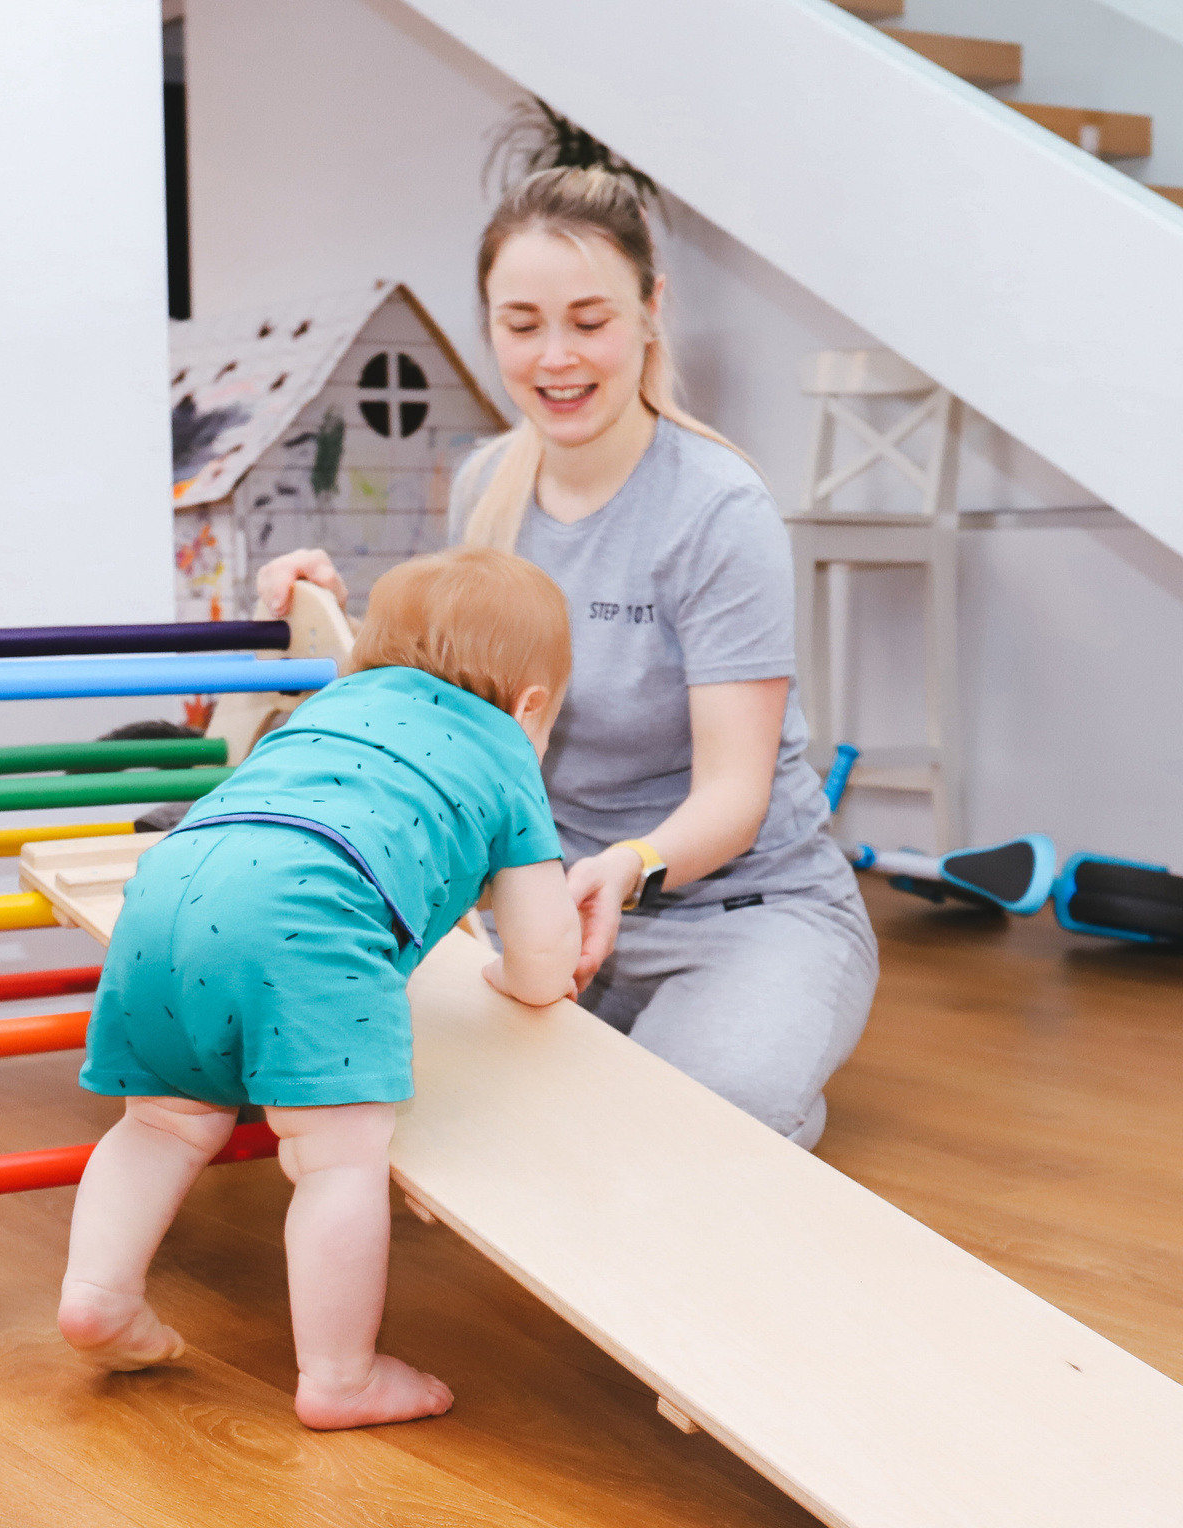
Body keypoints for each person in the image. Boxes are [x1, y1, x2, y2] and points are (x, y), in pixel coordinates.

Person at [259, 166, 877, 1151]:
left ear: (650, 311)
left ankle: (747, 1066)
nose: (556, 357)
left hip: (742, 910)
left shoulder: (718, 510)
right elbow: (441, 696)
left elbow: (734, 796)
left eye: (589, 321)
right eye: (522, 324)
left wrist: (623, 870)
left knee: (687, 1135)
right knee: (379, 1092)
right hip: (545, 912)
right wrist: (333, 616)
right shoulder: (486, 487)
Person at [59, 548, 581, 1430]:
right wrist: (519, 976)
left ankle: (97, 1294)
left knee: (160, 1123)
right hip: (304, 912)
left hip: (166, 889)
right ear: (532, 705)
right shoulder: (504, 751)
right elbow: (542, 952)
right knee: (336, 1158)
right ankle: (341, 1376)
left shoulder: (331, 703)